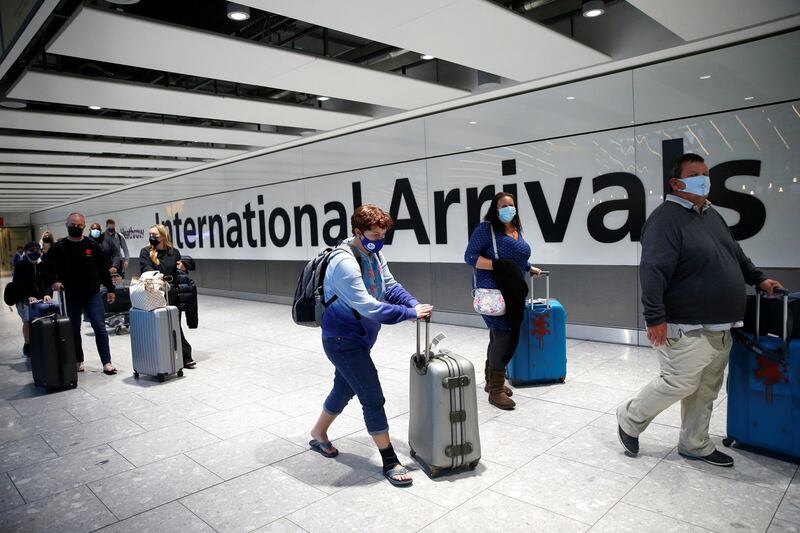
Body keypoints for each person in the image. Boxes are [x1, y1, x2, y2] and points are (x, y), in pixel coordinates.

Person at [617, 153, 783, 467]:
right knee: (680, 381)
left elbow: (735, 254)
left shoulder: (709, 213)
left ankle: (695, 443)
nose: (704, 180)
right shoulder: (665, 219)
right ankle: (629, 417)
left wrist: (759, 279)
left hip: (721, 326)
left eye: (706, 174)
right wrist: (655, 317)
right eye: (696, 174)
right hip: (685, 324)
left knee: (707, 387)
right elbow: (652, 271)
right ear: (676, 182)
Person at [308, 204, 433, 487]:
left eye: (382, 235)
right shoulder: (344, 263)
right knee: (372, 396)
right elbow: (370, 307)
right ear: (357, 231)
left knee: (344, 388)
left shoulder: (374, 254)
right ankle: (389, 459)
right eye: (373, 234)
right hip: (342, 340)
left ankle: (318, 433)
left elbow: (389, 286)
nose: (378, 240)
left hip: (362, 338)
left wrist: (413, 303)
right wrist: (409, 314)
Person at [464, 192, 541, 410]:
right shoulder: (486, 229)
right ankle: (496, 390)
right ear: (495, 209)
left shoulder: (516, 229)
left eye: (511, 205)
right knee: (504, 337)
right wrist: (498, 266)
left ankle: (491, 382)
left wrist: (528, 268)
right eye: (503, 206)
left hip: (514, 291)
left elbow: (518, 259)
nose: (508, 209)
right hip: (494, 293)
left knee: (501, 336)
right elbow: (470, 257)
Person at [42, 212, 118, 374]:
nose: (75, 228)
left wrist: (110, 289)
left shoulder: (91, 245)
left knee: (100, 327)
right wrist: (53, 283)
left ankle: (107, 362)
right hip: (71, 295)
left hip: (92, 294)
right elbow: (46, 269)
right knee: (73, 329)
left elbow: (103, 270)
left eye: (79, 225)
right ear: (66, 225)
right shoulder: (59, 247)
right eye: (72, 225)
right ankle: (78, 360)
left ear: (84, 226)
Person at [138, 224, 197, 369]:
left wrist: (182, 268)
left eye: (155, 236)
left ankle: (184, 356)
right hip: (155, 293)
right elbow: (146, 269)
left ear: (163, 236)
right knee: (160, 326)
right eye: (150, 235)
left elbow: (177, 272)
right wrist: (160, 277)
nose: (152, 238)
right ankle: (171, 355)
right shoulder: (145, 252)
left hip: (172, 294)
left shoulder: (174, 252)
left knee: (174, 324)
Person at [13, 241, 50, 356]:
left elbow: (47, 281)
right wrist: (28, 296)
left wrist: (47, 293)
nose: (35, 253)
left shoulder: (43, 265)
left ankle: (41, 343)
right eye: (31, 251)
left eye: (37, 250)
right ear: (26, 252)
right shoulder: (20, 265)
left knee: (42, 320)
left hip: (40, 298)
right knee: (27, 321)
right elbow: (18, 283)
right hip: (24, 298)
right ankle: (27, 344)